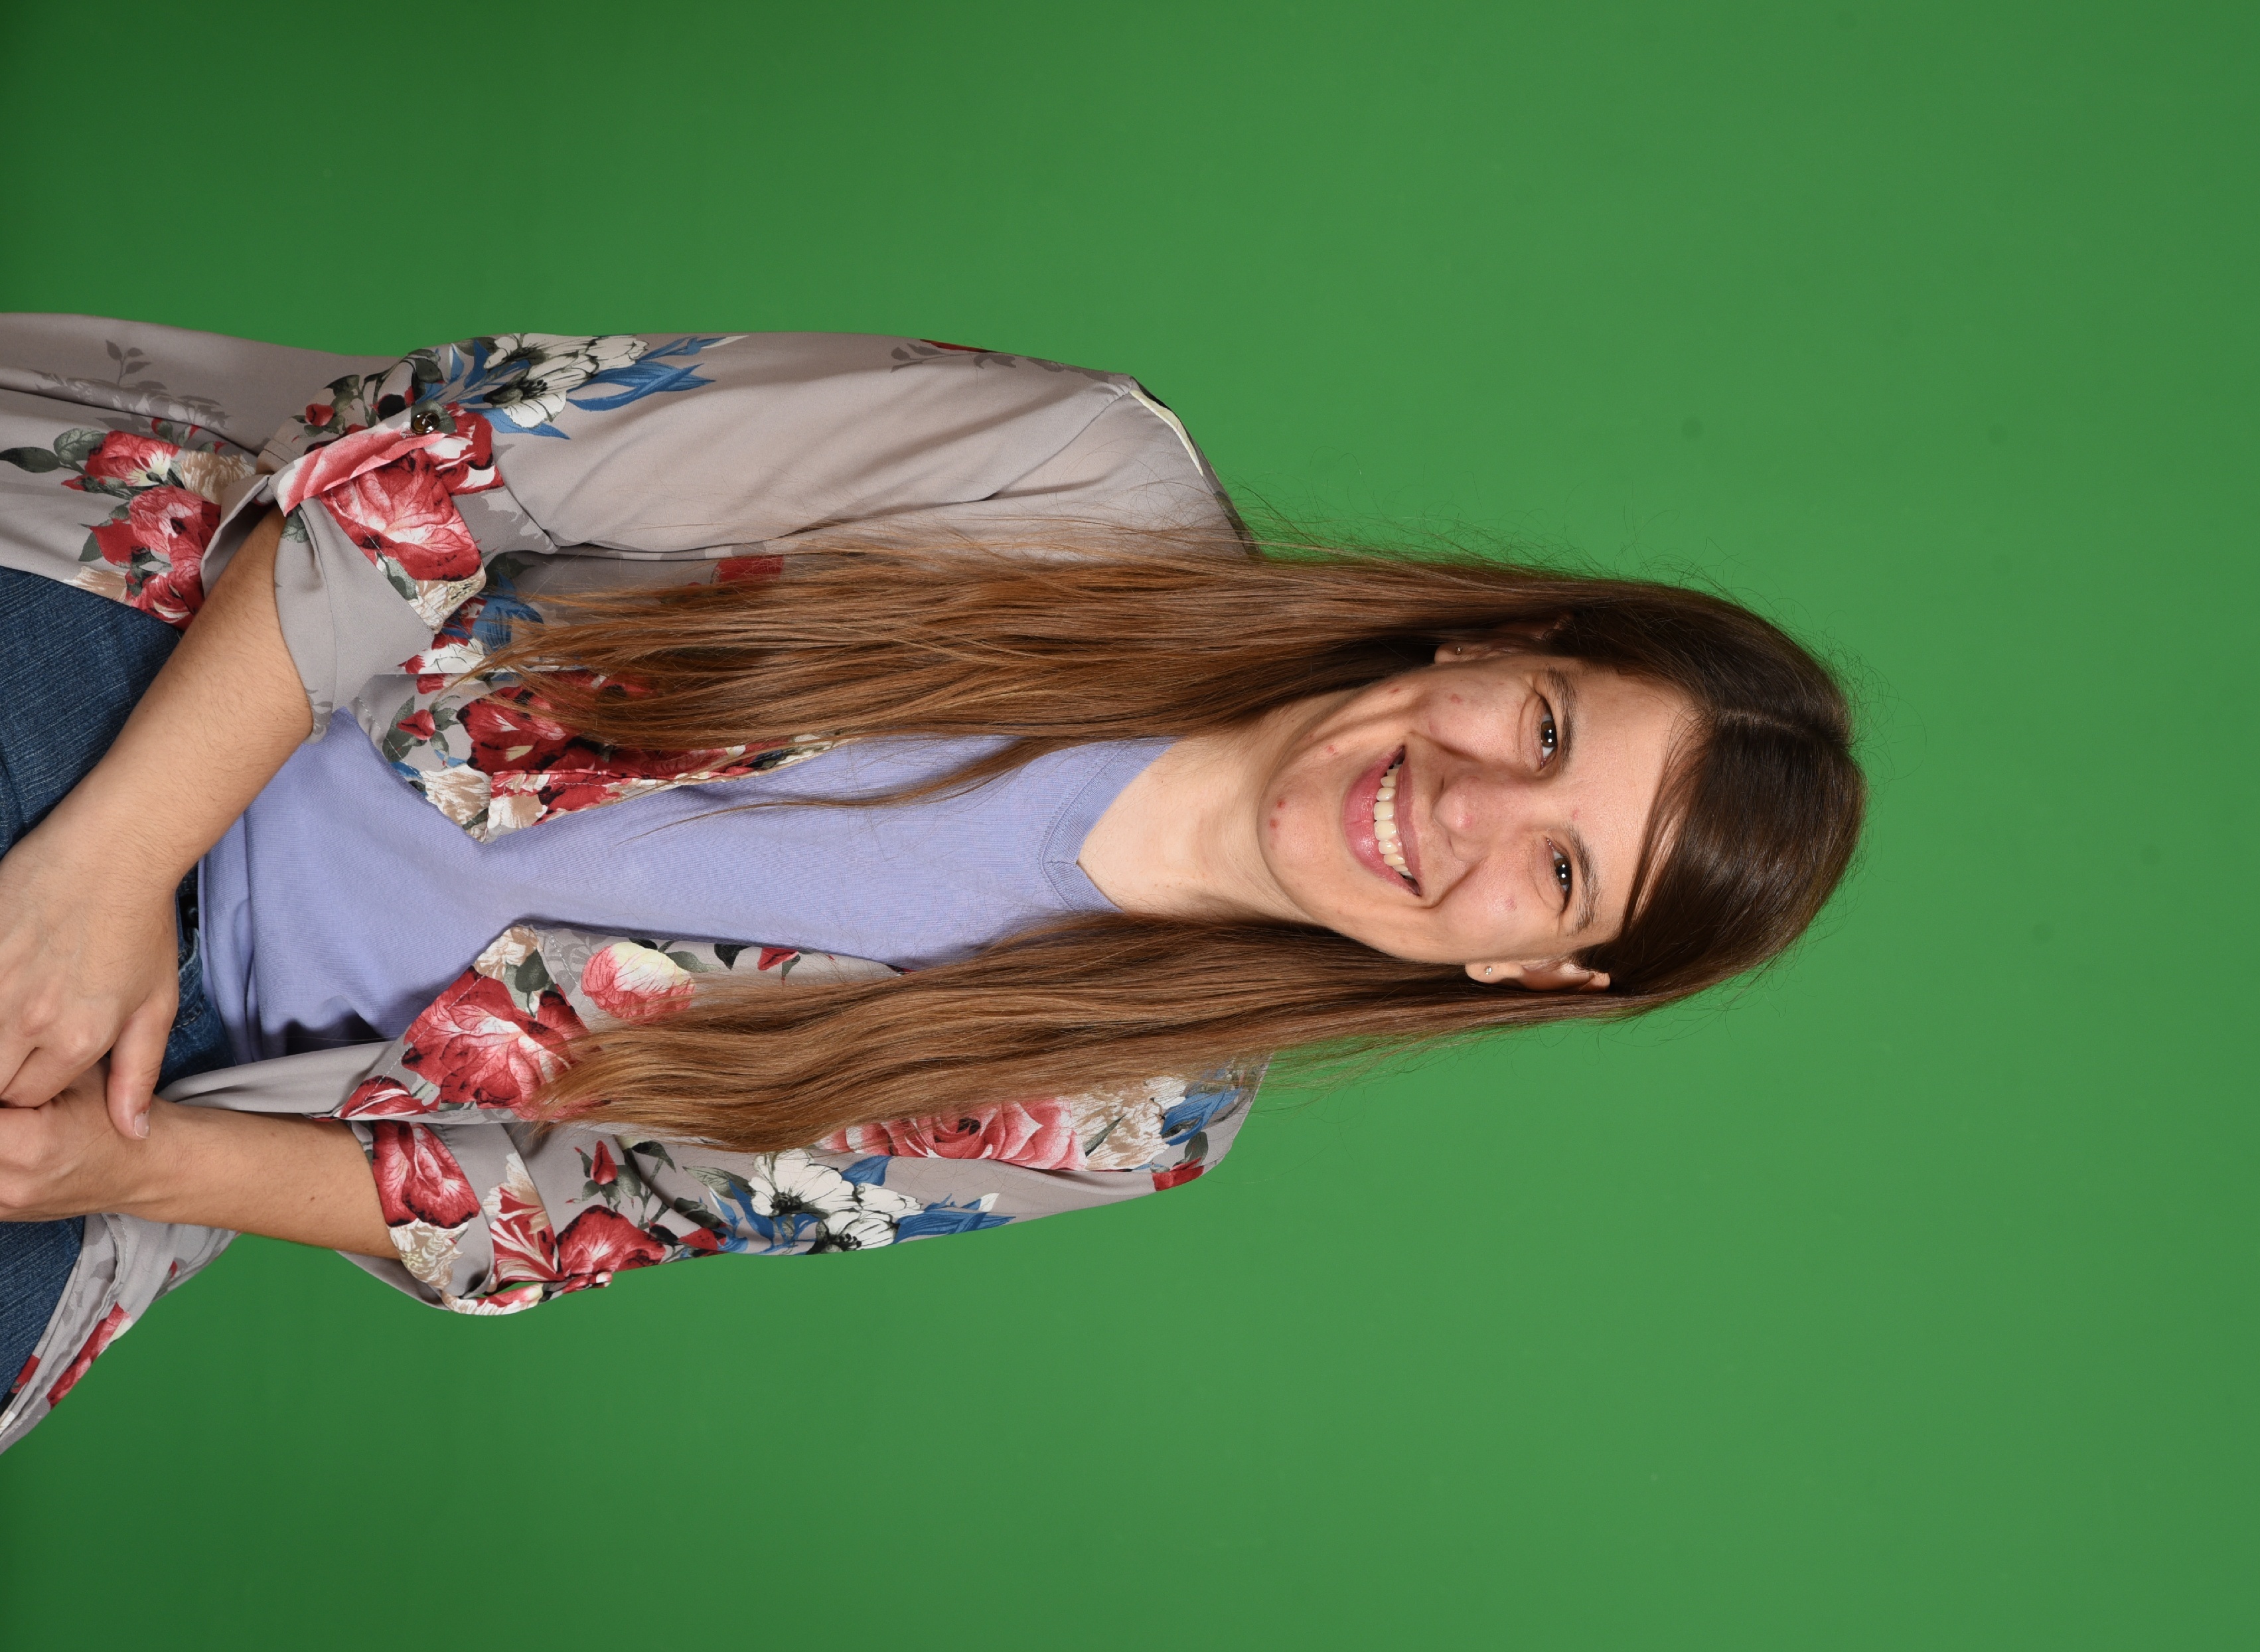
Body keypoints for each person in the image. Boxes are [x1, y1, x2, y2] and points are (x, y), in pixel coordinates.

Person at [0, 319, 1864, 1453]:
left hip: (192, 1088)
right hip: (147, 676)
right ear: (1507, 638)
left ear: (1533, 973)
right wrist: (107, 869)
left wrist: (116, 1168)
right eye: (1543, 727)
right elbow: (445, 456)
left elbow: (568, 1205)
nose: (1468, 807)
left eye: (1559, 870)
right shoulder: (1082, 480)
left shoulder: (1135, 1114)